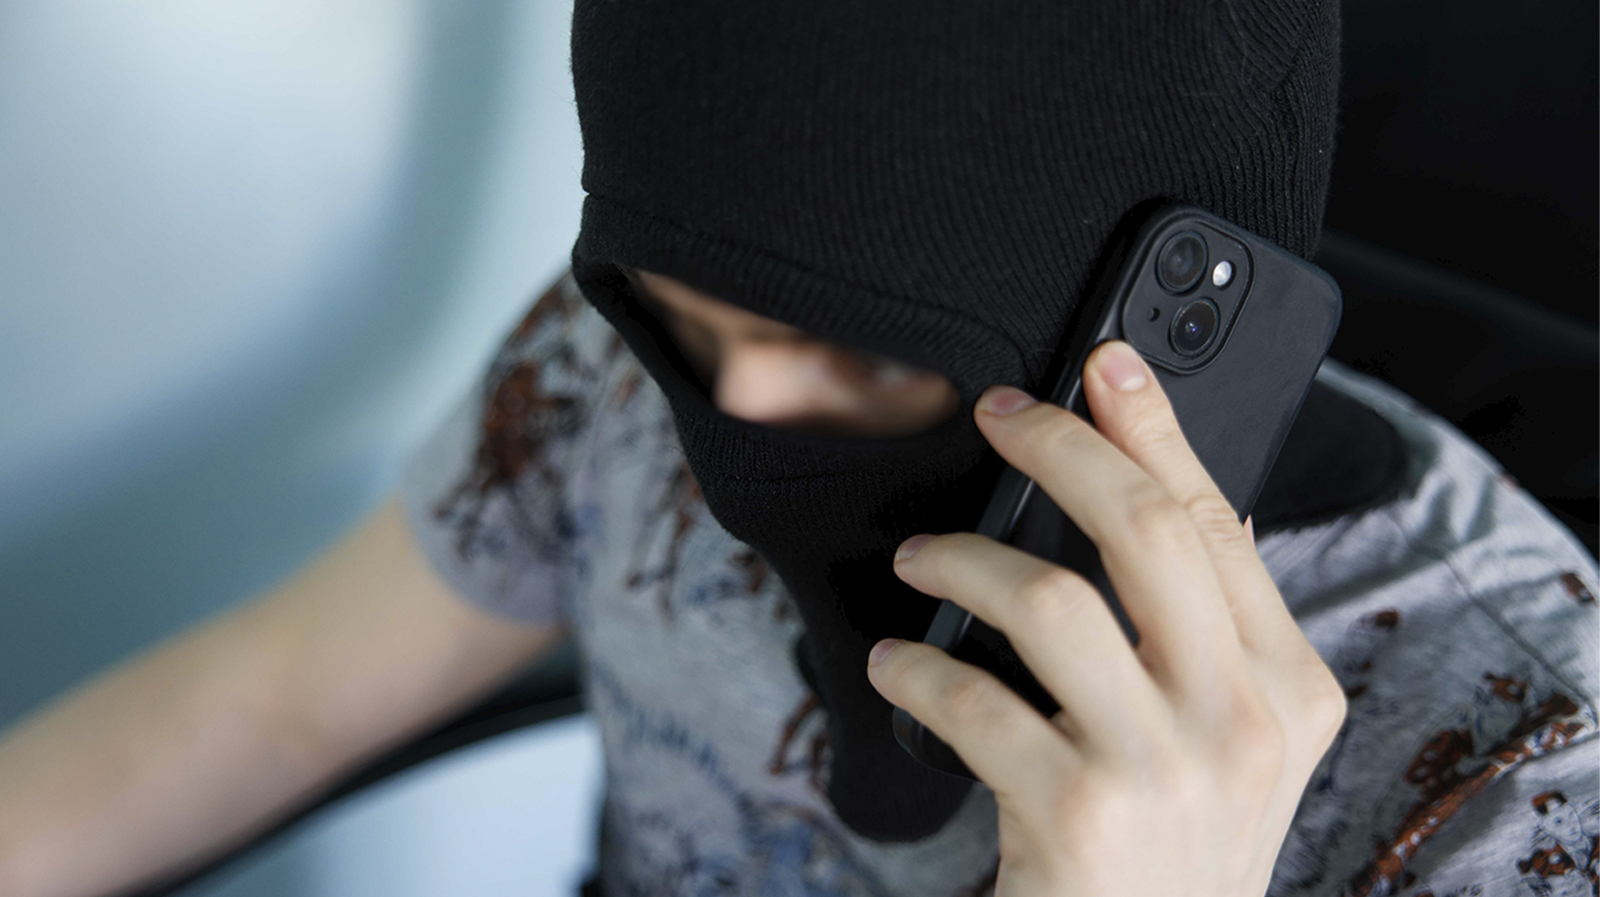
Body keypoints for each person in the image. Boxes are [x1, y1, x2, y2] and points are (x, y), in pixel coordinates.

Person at [1, 1, 1595, 896]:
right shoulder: (617, 368)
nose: (737, 409)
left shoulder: (1525, 772)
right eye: (685, 318)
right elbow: (270, 702)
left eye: (861, 346)